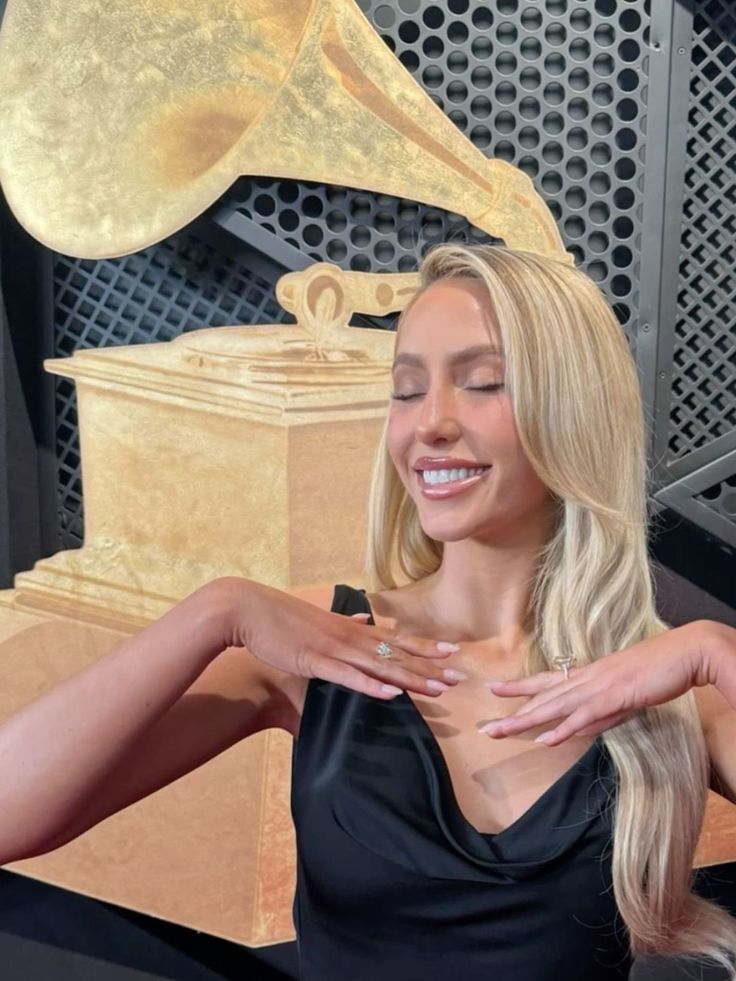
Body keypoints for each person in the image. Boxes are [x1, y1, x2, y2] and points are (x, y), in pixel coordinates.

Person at [0, 244, 735, 979]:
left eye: (482, 383)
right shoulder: (326, 644)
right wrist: (212, 612)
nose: (430, 424)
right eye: (407, 390)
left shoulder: (671, 694)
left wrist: (715, 650)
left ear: (573, 409)